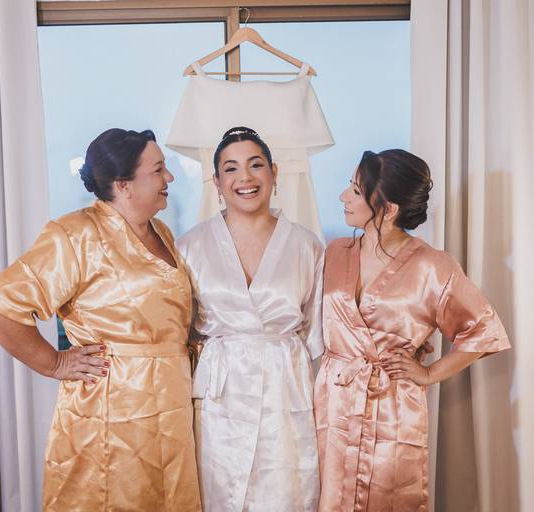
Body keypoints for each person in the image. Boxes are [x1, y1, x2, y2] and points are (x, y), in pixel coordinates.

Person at [0, 128, 201, 511]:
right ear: (124, 185)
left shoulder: (161, 232)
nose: (170, 177)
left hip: (171, 402)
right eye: (158, 169)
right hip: (111, 407)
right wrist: (55, 362)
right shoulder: (75, 234)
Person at [314, 149, 511, 512]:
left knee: (389, 498)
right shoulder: (335, 252)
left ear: (388, 209)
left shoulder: (433, 266)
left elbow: (483, 330)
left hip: (392, 407)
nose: (343, 197)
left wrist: (430, 373)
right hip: (334, 404)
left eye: (355, 191)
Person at [176, 127, 324, 511]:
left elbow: (318, 330)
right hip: (218, 396)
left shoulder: (307, 245)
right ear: (216, 182)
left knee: (286, 494)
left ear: (274, 172)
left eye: (256, 165)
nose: (245, 177)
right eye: (231, 168)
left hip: (285, 389)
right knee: (217, 492)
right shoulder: (189, 245)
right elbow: (178, 329)